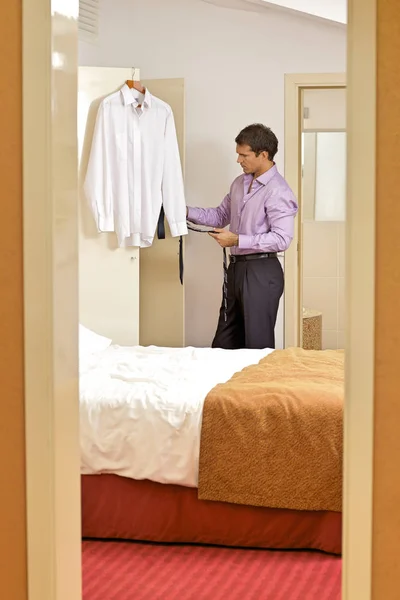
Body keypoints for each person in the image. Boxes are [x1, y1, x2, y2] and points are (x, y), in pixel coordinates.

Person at [186, 123, 298, 350]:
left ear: (263, 154)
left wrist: (237, 240)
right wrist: (182, 210)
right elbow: (219, 216)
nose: (239, 160)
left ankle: (260, 386)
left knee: (256, 344)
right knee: (223, 344)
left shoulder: (279, 191)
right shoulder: (239, 183)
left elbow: (282, 239)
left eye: (243, 155)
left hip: (262, 272)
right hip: (236, 270)